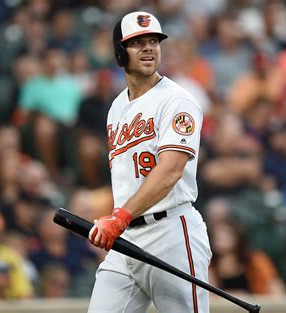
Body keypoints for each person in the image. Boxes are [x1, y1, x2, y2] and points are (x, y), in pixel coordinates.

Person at [87, 11, 211, 312]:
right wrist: (118, 218)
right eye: (137, 42)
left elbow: (170, 171)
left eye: (154, 41)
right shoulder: (117, 106)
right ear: (119, 53)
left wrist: (120, 217)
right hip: (127, 236)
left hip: (171, 233)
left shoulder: (177, 100)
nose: (148, 47)